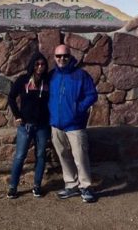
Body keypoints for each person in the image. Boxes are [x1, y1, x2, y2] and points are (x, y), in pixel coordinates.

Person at [49, 44, 98, 203]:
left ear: (70, 57)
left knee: (80, 156)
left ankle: (86, 186)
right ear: (54, 57)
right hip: (56, 124)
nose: (61, 59)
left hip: (75, 125)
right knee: (63, 156)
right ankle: (71, 185)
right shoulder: (52, 75)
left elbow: (91, 95)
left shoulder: (80, 75)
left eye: (65, 56)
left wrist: (79, 109)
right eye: (58, 56)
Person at [7, 52, 50, 199]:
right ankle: (13, 186)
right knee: (20, 156)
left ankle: (37, 186)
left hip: (43, 126)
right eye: (37, 64)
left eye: (42, 64)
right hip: (25, 126)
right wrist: (17, 115)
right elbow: (11, 98)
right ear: (32, 65)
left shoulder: (48, 81)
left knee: (41, 156)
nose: (40, 67)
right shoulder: (23, 80)